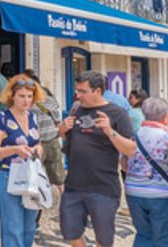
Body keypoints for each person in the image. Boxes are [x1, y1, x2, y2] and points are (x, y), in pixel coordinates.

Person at [58, 71, 135, 247]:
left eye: (83, 91)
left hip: (103, 187)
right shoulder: (76, 109)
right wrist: (61, 130)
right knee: (70, 232)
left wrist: (109, 131)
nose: (78, 95)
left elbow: (130, 150)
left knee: (104, 239)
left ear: (98, 91)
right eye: (77, 90)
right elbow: (68, 141)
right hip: (73, 186)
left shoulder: (118, 113)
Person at [0, 74, 45, 247]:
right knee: (13, 227)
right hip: (7, 175)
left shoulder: (33, 117)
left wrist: (37, 150)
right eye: (21, 96)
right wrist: (15, 150)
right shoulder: (1, 118)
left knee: (29, 226)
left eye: (29, 96)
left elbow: (39, 144)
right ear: (11, 96)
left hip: (31, 176)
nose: (26, 100)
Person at [124, 97, 168, 247]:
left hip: (133, 191)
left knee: (143, 234)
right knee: (163, 236)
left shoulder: (133, 135)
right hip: (161, 193)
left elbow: (123, 163)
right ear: (166, 116)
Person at [24, 70, 65, 190]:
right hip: (52, 139)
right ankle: (64, 201)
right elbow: (57, 119)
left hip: (35, 143)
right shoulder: (50, 99)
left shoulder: (27, 102)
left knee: (35, 174)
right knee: (58, 175)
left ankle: (38, 203)